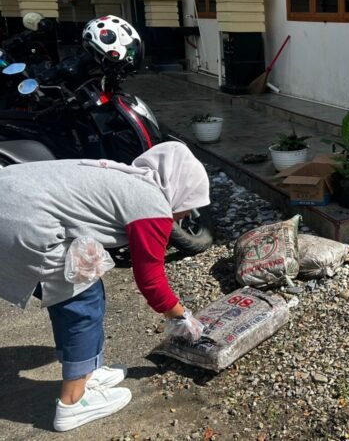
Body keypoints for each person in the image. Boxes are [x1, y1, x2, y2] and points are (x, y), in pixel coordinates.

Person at [0, 142, 210, 432]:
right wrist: (181, 317)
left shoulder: (127, 178)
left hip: (12, 199)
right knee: (80, 303)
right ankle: (73, 402)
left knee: (86, 285)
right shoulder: (152, 205)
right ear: (180, 190)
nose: (183, 217)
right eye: (186, 208)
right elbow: (150, 279)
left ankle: (88, 371)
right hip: (22, 223)